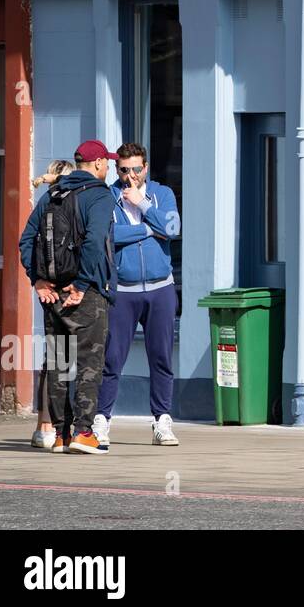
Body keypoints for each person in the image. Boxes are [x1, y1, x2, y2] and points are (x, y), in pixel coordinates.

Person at [18, 141, 117, 455]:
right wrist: (83, 283)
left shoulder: (53, 194)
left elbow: (26, 238)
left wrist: (37, 280)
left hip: (51, 292)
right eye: (108, 163)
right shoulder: (99, 195)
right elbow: (94, 241)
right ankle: (84, 433)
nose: (109, 168)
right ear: (99, 163)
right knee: (90, 361)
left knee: (59, 362)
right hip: (84, 293)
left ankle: (60, 434)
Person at [95, 142, 182, 449]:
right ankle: (102, 422)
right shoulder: (107, 197)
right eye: (123, 170)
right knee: (112, 358)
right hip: (124, 290)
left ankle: (162, 421)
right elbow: (107, 237)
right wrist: (147, 230)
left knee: (161, 358)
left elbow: (172, 228)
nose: (129, 175)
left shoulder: (162, 194)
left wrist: (143, 205)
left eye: (135, 169)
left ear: (145, 168)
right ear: (116, 170)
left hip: (160, 289)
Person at [26, 160, 77, 449]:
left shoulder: (74, 202)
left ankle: (54, 424)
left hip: (69, 289)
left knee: (62, 357)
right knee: (58, 357)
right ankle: (47, 423)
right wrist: (38, 280)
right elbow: (27, 240)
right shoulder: (48, 202)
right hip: (55, 292)